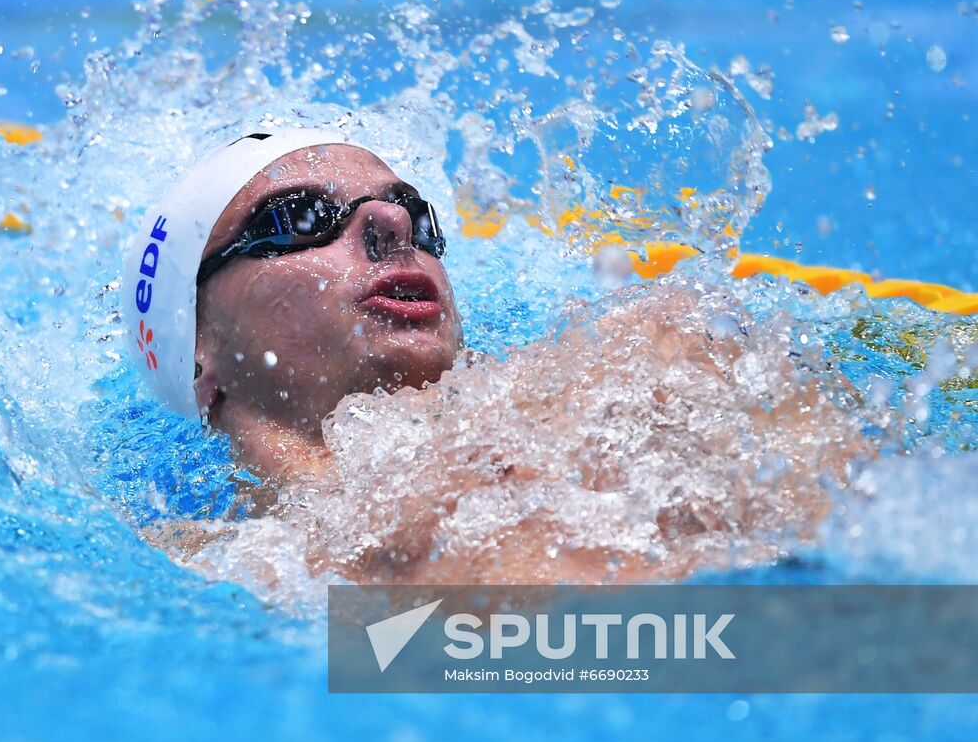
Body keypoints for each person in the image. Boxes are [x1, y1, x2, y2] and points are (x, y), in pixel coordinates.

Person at [122, 129, 874, 590]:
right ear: (197, 351)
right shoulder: (211, 569)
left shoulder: (641, 363)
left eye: (415, 213)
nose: (391, 224)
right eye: (299, 218)